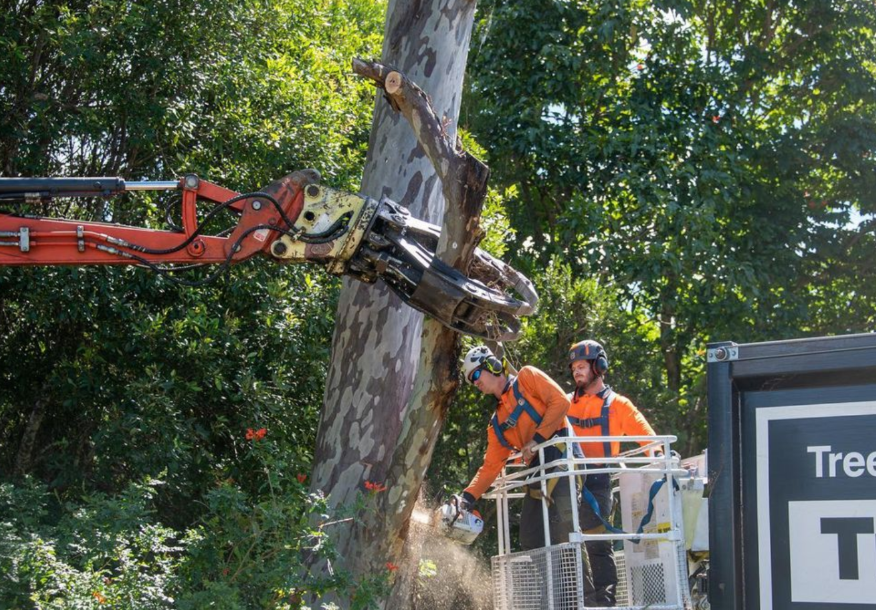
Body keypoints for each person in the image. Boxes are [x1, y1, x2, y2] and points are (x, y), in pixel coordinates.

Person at [458, 345, 596, 602]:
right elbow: (490, 467)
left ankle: (584, 602)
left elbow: (560, 402)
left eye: (475, 375)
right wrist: (466, 498)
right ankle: (556, 599)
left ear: (491, 365)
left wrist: (536, 439)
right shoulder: (497, 423)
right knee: (531, 535)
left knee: (565, 531)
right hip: (537, 471)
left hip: (562, 457)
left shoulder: (528, 378)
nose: (474, 383)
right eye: (470, 381)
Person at [566, 339, 657, 607]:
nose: (577, 372)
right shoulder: (564, 404)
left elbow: (649, 439)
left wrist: (663, 459)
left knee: (597, 546)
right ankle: (579, 602)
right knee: (566, 547)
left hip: (598, 484)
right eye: (574, 368)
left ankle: (604, 604)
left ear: (599, 366)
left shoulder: (618, 404)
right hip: (567, 484)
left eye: (582, 366)